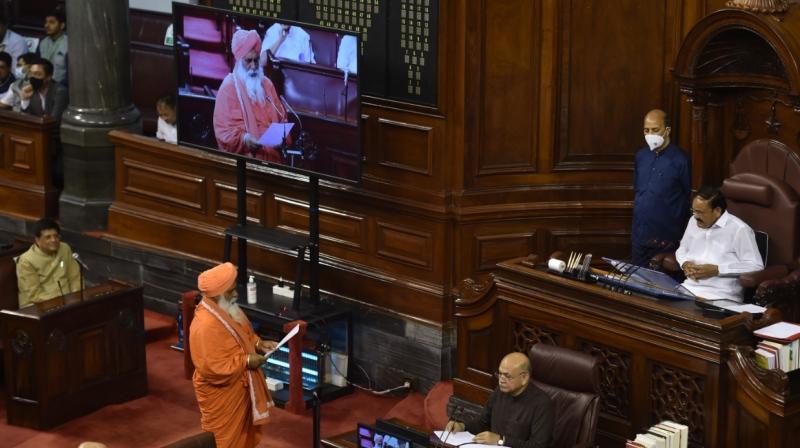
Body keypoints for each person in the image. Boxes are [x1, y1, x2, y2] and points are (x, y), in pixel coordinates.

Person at [189, 262, 279, 448]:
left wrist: (258, 343)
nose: (236, 294)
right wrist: (246, 360)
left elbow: (244, 332)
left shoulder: (227, 307)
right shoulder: (205, 326)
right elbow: (211, 368)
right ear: (217, 295)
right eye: (231, 291)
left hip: (242, 389)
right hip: (223, 395)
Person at [445, 352, 554, 448]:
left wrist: (501, 440)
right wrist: (462, 426)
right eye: (500, 374)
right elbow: (483, 423)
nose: (501, 380)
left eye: (507, 376)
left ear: (524, 378)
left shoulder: (542, 404)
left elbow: (538, 446)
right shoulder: (500, 392)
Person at [675, 186, 764, 302]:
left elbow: (755, 265)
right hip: (688, 289)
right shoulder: (693, 221)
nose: (695, 216)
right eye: (693, 211)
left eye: (700, 212)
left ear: (717, 211)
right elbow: (682, 248)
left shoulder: (739, 229)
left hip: (720, 296)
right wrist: (685, 263)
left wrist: (718, 269)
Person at [213, 29, 288, 162]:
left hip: (273, 157)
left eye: (256, 60)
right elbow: (224, 132)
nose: (253, 66)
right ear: (238, 61)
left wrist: (282, 137)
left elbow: (282, 118)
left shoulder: (267, 84)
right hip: (246, 161)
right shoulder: (229, 88)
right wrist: (245, 139)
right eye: (248, 61)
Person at [631, 109, 691, 266]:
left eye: (655, 130)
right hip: (640, 236)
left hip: (666, 239)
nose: (650, 134)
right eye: (646, 130)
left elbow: (687, 195)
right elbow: (638, 190)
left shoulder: (681, 160)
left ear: (667, 130)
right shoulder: (641, 156)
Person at [16, 218, 81, 308]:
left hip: (68, 302)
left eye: (56, 236)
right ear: (37, 240)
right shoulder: (26, 261)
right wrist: (62, 301)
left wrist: (76, 296)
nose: (53, 240)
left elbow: (74, 277)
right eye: (48, 237)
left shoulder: (64, 248)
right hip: (38, 306)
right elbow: (35, 295)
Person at [37, 8, 68, 86]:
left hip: (60, 88)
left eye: (51, 22)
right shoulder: (42, 42)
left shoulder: (69, 43)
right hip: (41, 86)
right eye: (46, 22)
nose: (46, 25)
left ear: (62, 25)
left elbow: (70, 76)